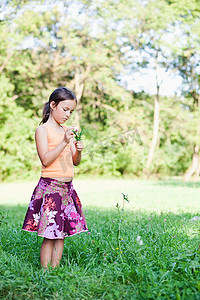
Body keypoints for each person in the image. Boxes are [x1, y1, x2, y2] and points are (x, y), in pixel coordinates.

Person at [22, 87, 88, 269]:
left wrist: (79, 150)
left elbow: (75, 162)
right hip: (50, 188)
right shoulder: (42, 130)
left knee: (61, 233)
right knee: (49, 234)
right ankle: (45, 272)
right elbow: (45, 159)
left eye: (71, 111)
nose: (68, 114)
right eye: (65, 109)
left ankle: (54, 271)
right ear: (53, 105)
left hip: (67, 189)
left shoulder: (68, 131)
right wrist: (64, 142)